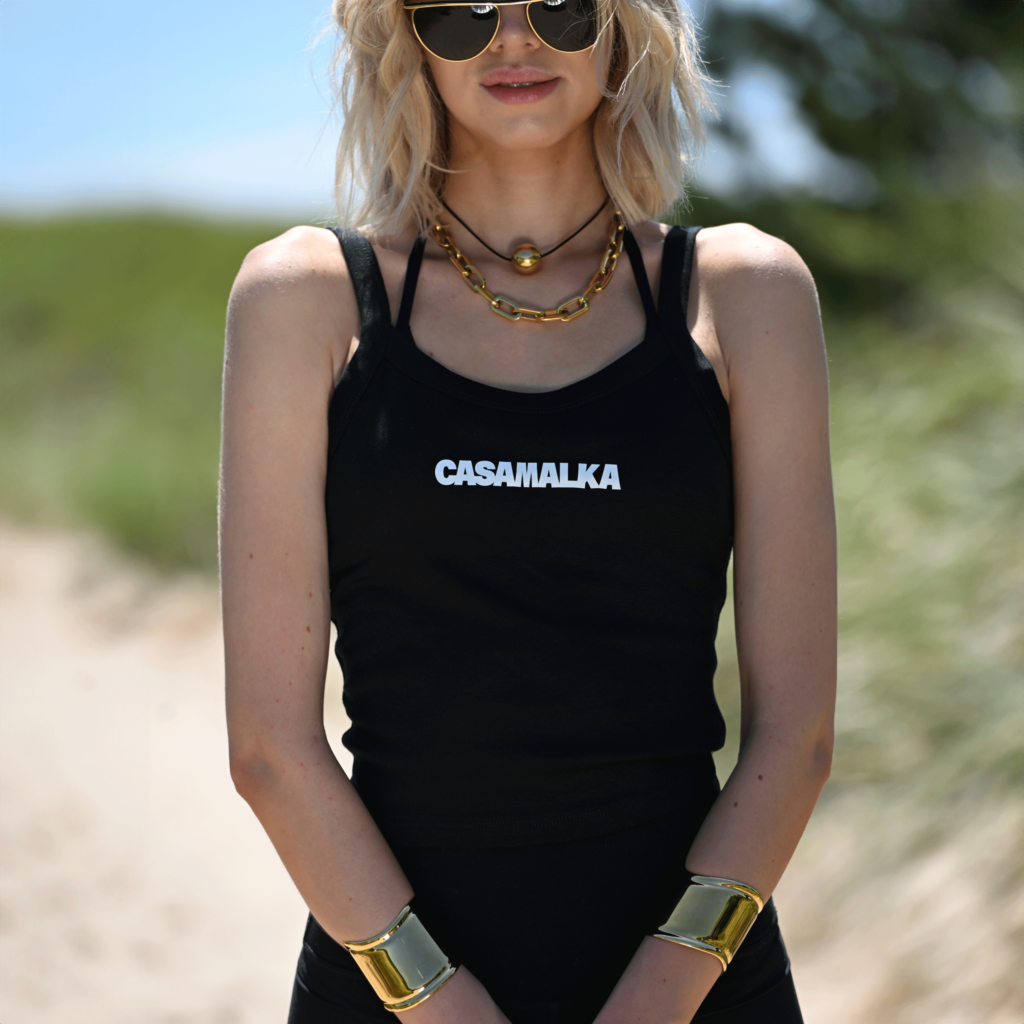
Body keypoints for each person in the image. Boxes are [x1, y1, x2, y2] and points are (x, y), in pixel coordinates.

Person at [219, 0, 836, 1018]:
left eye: (558, 6)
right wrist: (440, 1001)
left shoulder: (744, 294)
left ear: (623, 29)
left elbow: (797, 736)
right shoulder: (306, 300)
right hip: (396, 988)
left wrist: (655, 999)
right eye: (457, 13)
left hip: (693, 987)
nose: (512, 38)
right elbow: (270, 751)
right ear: (409, 41)